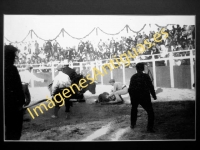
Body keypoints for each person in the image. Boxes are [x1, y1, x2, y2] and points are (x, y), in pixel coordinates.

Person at [128, 63, 157, 132]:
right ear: (143, 68)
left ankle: (132, 124)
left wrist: (132, 98)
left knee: (134, 110)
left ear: (136, 69)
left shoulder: (133, 77)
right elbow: (150, 86)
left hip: (135, 96)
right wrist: (154, 95)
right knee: (150, 112)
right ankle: (149, 128)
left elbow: (130, 89)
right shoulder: (146, 76)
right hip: (144, 96)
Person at [5, 45, 25, 140]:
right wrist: (21, 104)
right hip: (12, 106)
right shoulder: (12, 69)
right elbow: (18, 89)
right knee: (13, 132)